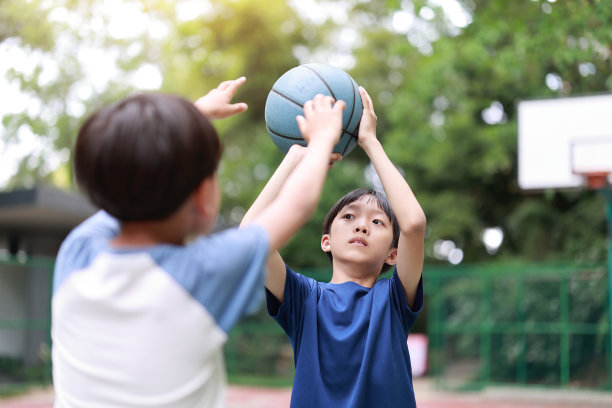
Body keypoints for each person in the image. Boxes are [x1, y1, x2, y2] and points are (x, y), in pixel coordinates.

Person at [51, 77, 346, 408]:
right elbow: (297, 205)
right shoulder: (203, 272)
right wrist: (321, 140)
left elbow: (126, 175)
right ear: (202, 197)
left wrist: (191, 118)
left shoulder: (76, 255)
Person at [241, 86, 426, 407]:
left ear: (393, 254)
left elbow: (413, 224)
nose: (362, 224)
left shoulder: (394, 299)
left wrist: (370, 141)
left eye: (378, 222)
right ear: (326, 240)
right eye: (350, 216)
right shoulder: (303, 299)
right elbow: (250, 237)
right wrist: (297, 158)